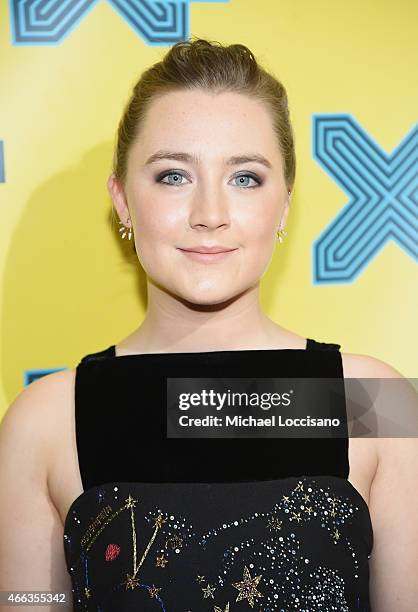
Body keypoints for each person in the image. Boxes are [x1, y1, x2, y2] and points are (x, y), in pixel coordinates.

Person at [0, 37, 416, 612]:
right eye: (174, 176)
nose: (210, 215)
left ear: (285, 205)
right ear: (122, 201)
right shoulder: (44, 422)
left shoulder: (374, 402)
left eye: (245, 177)